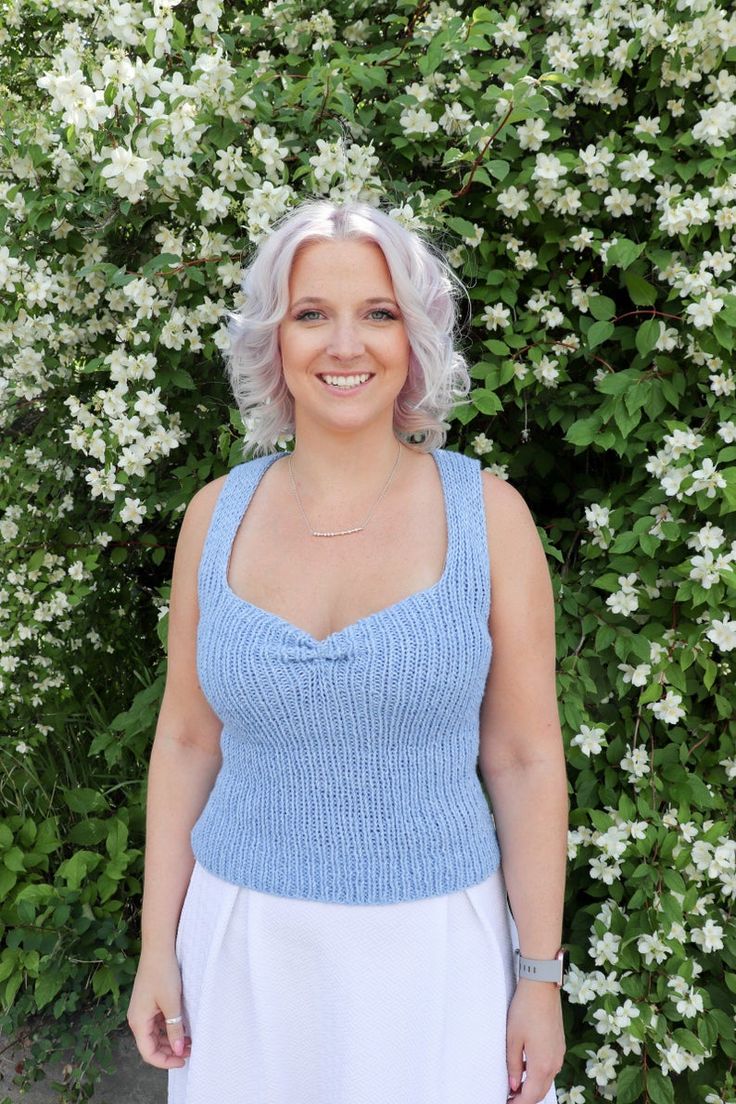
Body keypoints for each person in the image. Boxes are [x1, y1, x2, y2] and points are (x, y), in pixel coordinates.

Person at [126, 198, 569, 1104]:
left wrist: (539, 978)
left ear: (415, 338)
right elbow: (184, 743)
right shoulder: (216, 517)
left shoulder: (490, 518)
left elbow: (525, 760)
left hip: (437, 959)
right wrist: (155, 949)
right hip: (241, 953)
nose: (345, 345)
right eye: (311, 314)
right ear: (273, 341)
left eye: (377, 313)